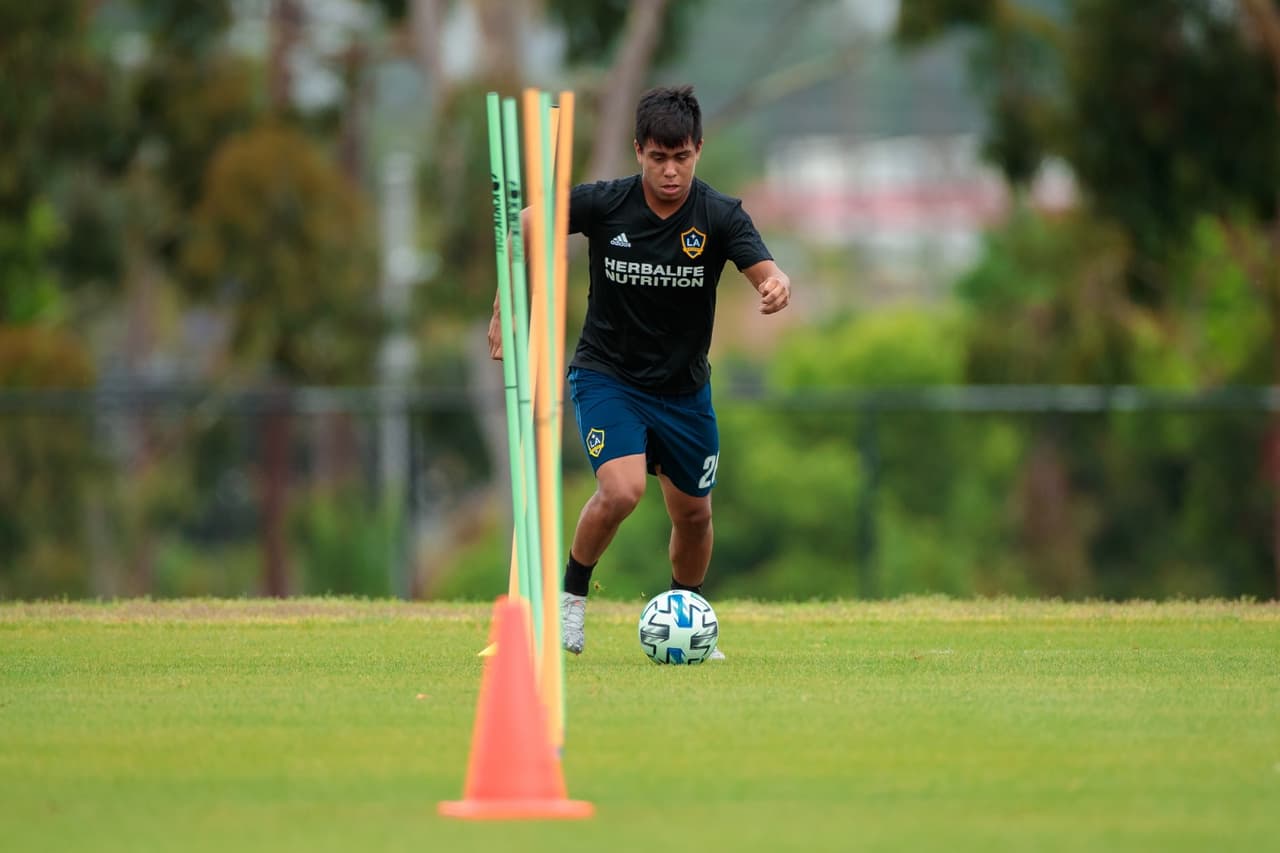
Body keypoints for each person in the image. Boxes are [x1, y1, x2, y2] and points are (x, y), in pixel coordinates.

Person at [488, 84, 791, 658]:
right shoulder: (605, 203)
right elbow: (520, 228)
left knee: (695, 516)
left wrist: (777, 287)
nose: (670, 171)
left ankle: (688, 616)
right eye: (658, 158)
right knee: (622, 491)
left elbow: (770, 273)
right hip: (609, 378)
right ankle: (569, 604)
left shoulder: (721, 215)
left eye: (681, 157)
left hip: (683, 391)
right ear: (638, 152)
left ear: (698, 150)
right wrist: (507, 306)